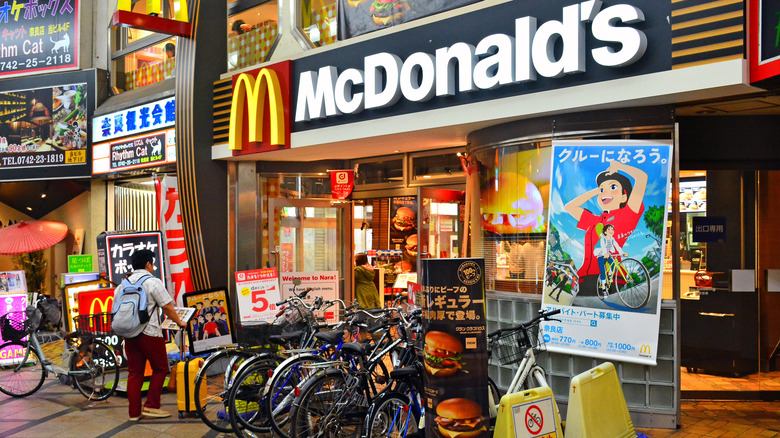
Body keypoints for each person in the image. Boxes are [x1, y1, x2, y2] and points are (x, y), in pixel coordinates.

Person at [115, 249, 186, 422]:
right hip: (150, 333)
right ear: (148, 264)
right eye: (152, 264)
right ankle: (152, 406)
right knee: (161, 368)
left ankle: (134, 413)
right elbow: (167, 307)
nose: (153, 267)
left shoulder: (121, 285)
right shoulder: (153, 282)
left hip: (129, 334)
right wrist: (180, 322)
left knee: (134, 373)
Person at [564, 160, 647, 294]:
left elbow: (642, 178)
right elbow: (570, 207)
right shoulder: (596, 220)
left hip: (612, 279)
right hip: (584, 278)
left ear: (624, 196)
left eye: (613, 187)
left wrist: (620, 166)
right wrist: (596, 191)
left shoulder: (628, 214)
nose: (605, 193)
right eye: (602, 189)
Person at [594, 224, 627, 291]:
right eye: (609, 229)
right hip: (600, 254)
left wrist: (622, 253)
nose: (611, 230)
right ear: (605, 232)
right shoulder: (602, 239)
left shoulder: (612, 239)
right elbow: (603, 247)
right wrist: (604, 254)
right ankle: (603, 287)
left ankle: (609, 275)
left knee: (614, 265)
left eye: (612, 229)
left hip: (607, 254)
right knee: (602, 271)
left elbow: (617, 247)